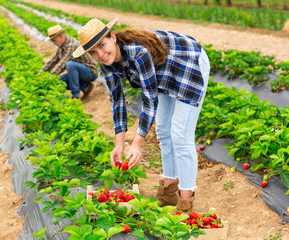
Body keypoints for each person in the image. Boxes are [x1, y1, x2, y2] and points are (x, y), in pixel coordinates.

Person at [73, 18, 210, 211]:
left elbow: (149, 99)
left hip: (188, 63)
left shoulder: (138, 53)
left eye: (102, 46)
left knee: (180, 134)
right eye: (93, 52)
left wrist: (137, 144)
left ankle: (185, 201)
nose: (100, 54)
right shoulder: (106, 61)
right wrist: (119, 144)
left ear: (112, 37)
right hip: (165, 74)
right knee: (163, 130)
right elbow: (118, 100)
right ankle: (169, 192)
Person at [39, 25, 98, 100]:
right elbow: (53, 61)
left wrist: (49, 77)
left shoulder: (71, 45)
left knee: (70, 65)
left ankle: (76, 96)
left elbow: (62, 64)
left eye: (54, 40)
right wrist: (40, 73)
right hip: (80, 73)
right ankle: (85, 86)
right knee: (59, 81)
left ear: (61, 36)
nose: (53, 43)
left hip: (90, 72)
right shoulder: (62, 46)